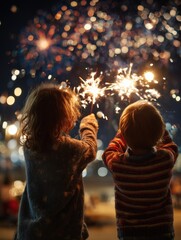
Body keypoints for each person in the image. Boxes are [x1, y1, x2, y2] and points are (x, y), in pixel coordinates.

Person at [14, 83, 98, 240]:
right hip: (63, 233)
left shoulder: (30, 146)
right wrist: (88, 127)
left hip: (31, 231)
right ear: (62, 117)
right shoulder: (69, 149)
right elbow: (90, 150)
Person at [102, 100, 178, 240]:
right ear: (160, 131)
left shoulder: (118, 165)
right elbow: (171, 145)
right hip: (161, 230)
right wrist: (159, 127)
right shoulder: (165, 160)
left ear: (124, 135)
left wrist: (122, 133)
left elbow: (109, 151)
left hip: (129, 232)